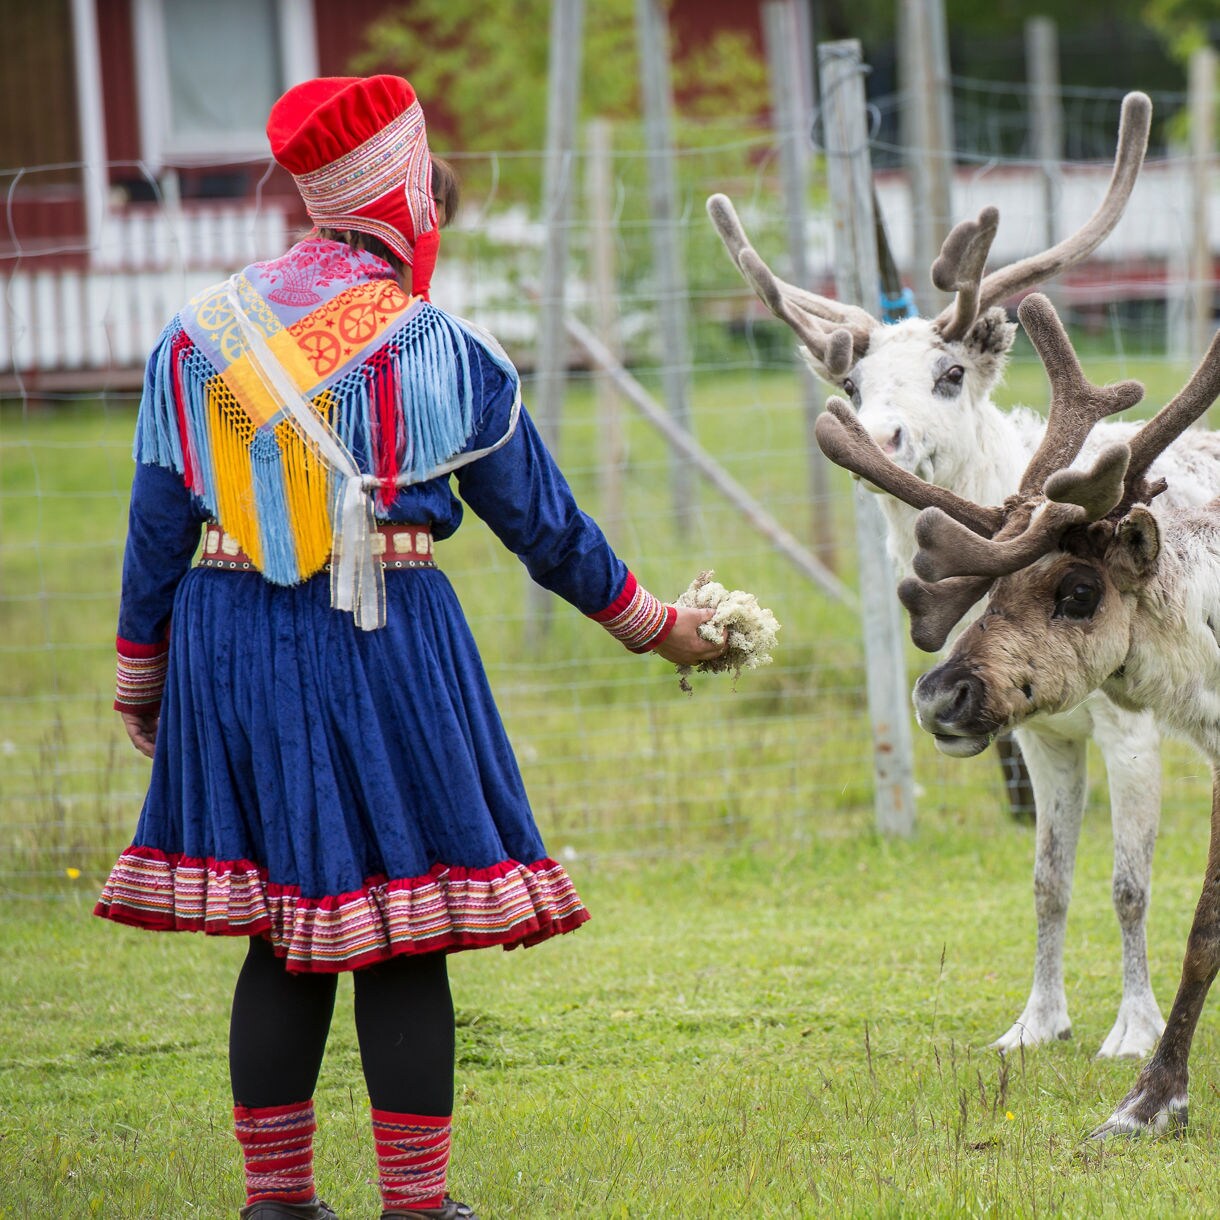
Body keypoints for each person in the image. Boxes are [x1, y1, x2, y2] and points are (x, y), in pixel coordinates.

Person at [95, 74, 726, 1220]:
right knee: (403, 917)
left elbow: (155, 527)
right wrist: (658, 628)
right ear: (405, 197)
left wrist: (145, 672)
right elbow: (542, 526)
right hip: (382, 634)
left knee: (287, 925)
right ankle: (419, 1206)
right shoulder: (438, 348)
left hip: (227, 639)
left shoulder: (195, 338)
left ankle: (277, 1200)